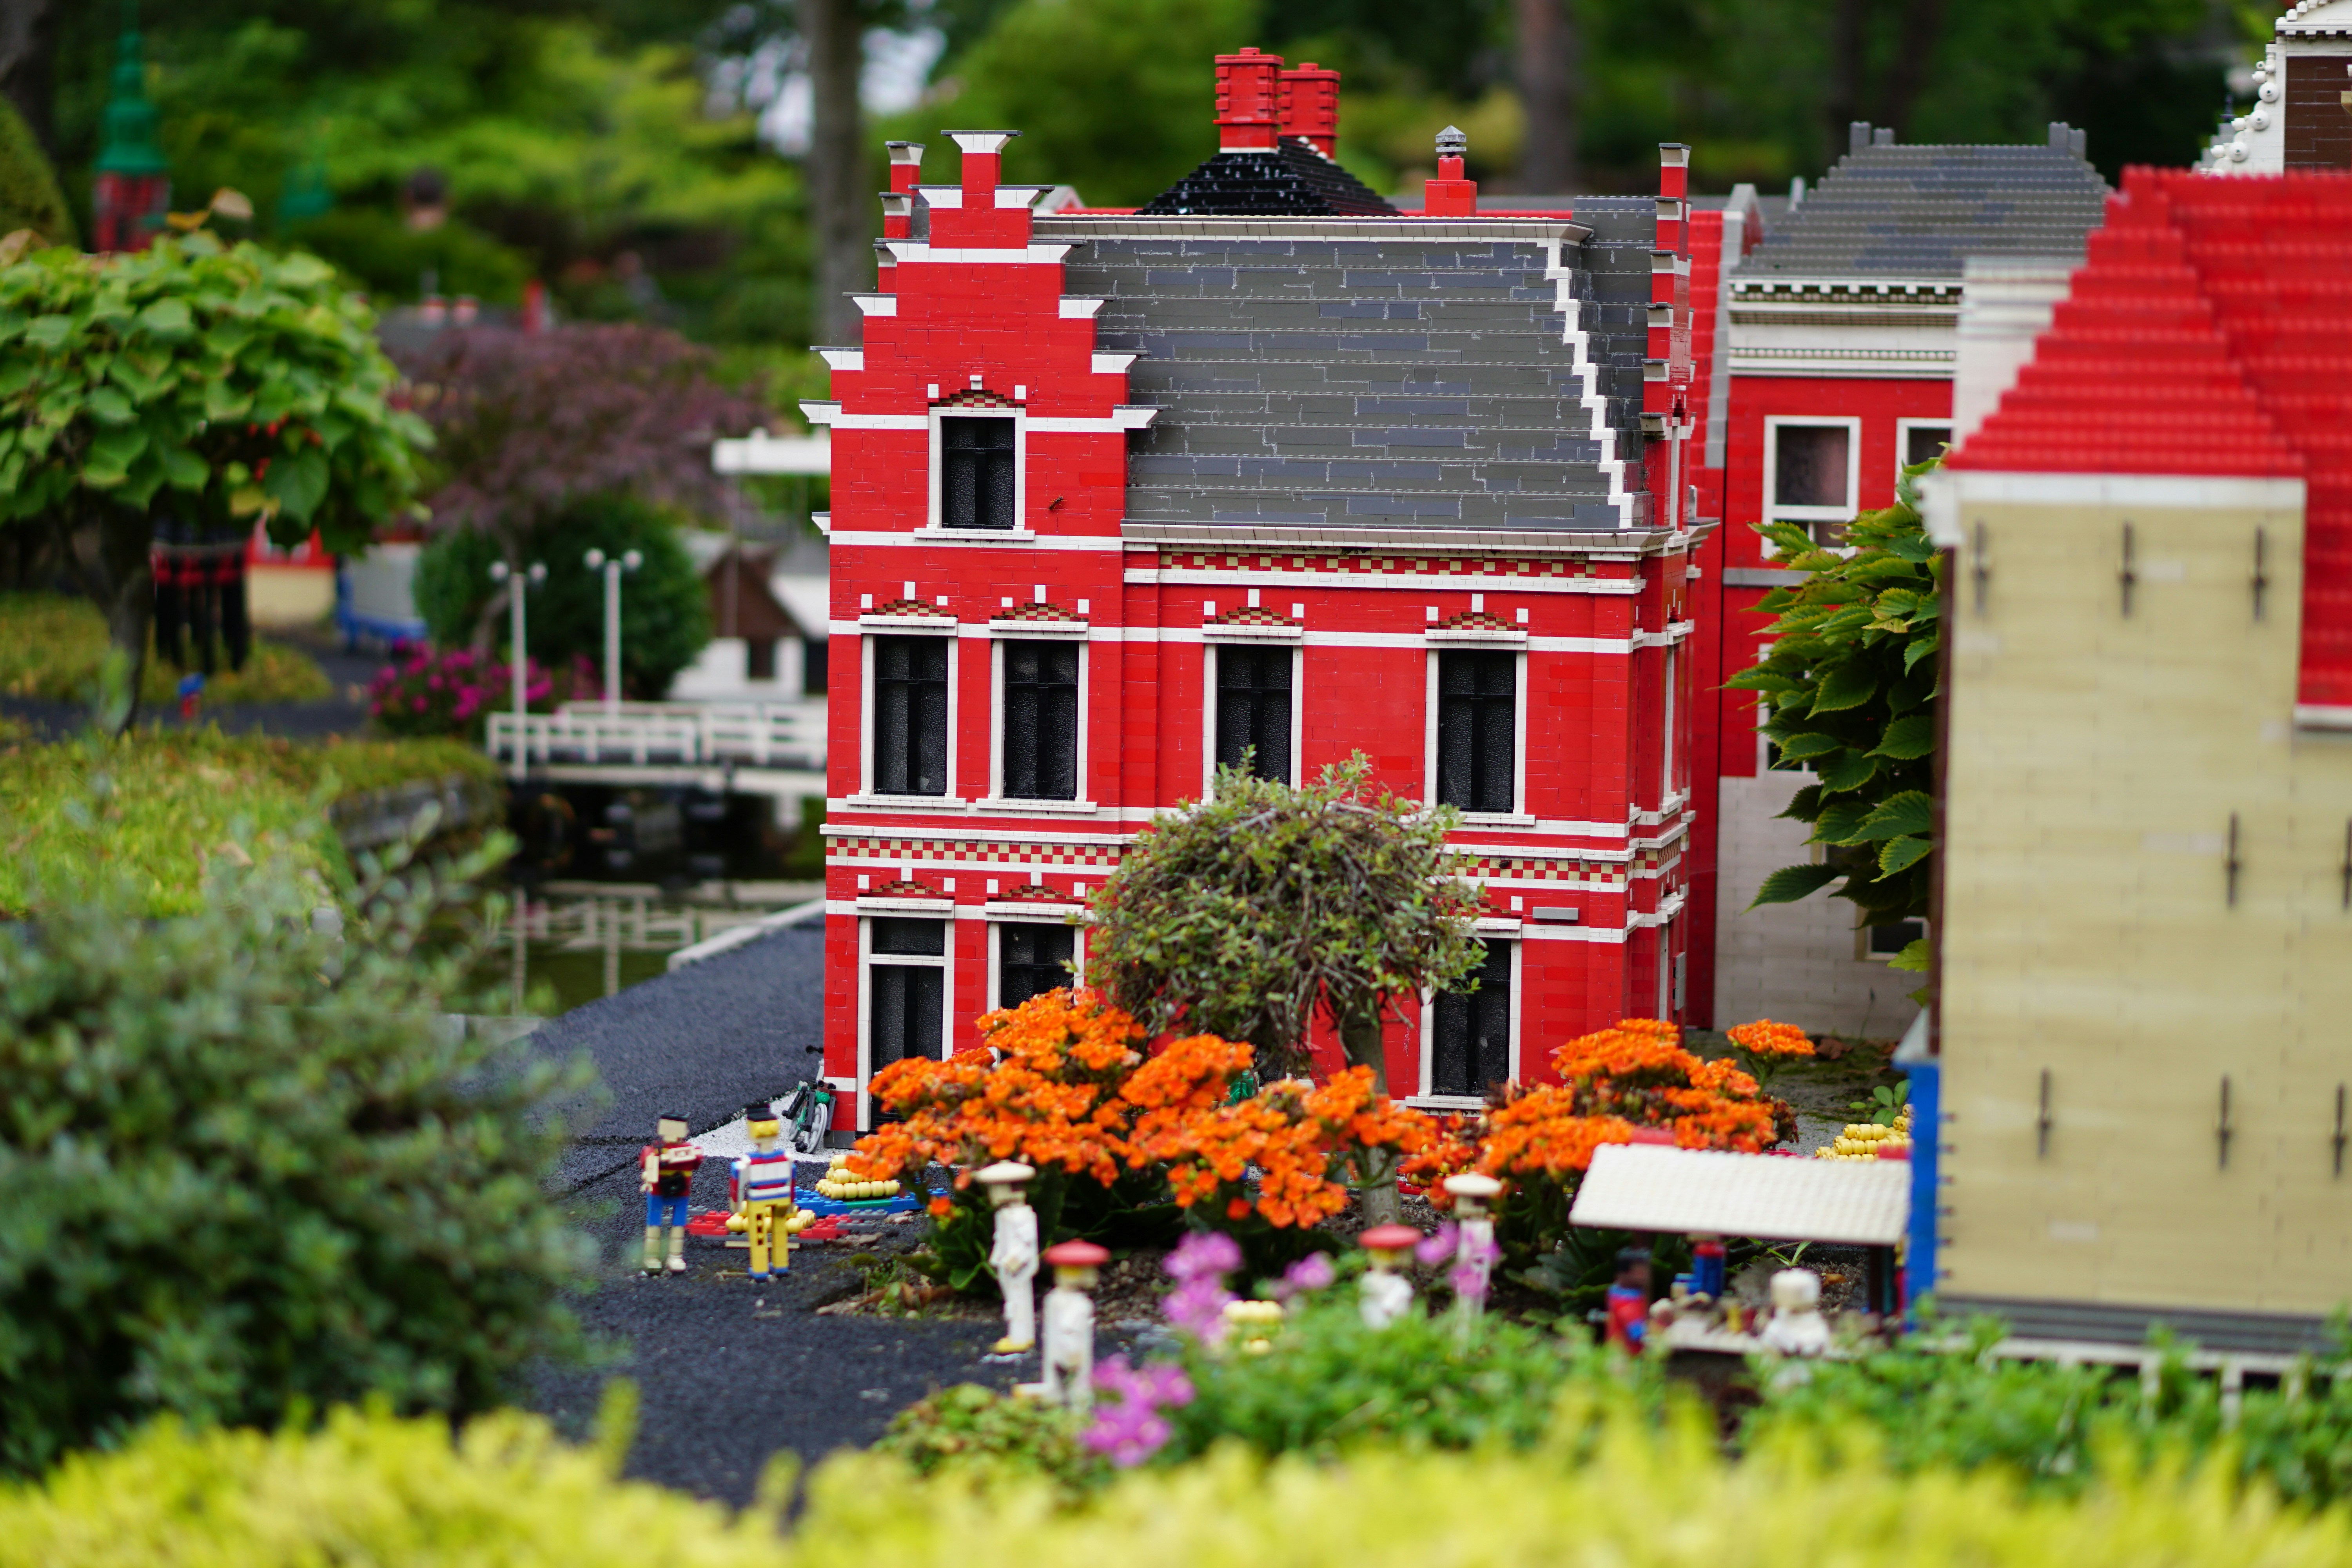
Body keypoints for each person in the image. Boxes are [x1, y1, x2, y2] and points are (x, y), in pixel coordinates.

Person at [728, 1102, 798, 1281]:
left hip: (758, 1201)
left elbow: (738, 1183)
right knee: (780, 1231)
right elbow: (792, 1179)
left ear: (752, 1133)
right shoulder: (786, 1158)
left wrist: (736, 1205)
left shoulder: (748, 1162)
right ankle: (781, 1265)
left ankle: (760, 1269)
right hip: (782, 1199)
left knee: (759, 1235)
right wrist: (791, 1203)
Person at [978, 1160, 1039, 1352]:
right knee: (1012, 1301)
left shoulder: (1023, 1215)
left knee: (1020, 1300)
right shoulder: (1004, 1215)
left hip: (1018, 1266)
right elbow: (1001, 1239)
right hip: (1006, 1265)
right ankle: (1017, 1334)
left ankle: (1022, 1337)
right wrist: (997, 1259)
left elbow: (1027, 1244)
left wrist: (1015, 1260)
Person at [640, 1113, 702, 1275]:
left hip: (681, 1192)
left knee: (678, 1224)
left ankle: (675, 1256)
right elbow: (645, 1158)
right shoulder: (654, 1149)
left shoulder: (689, 1150)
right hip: (658, 1190)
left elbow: (697, 1158)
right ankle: (651, 1256)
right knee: (654, 1223)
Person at [1604, 1245, 1652, 1352]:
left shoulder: (1617, 1294)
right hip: (1627, 1359)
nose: (1646, 1276)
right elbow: (1639, 1334)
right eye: (1640, 1272)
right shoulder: (1627, 1304)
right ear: (1625, 1274)